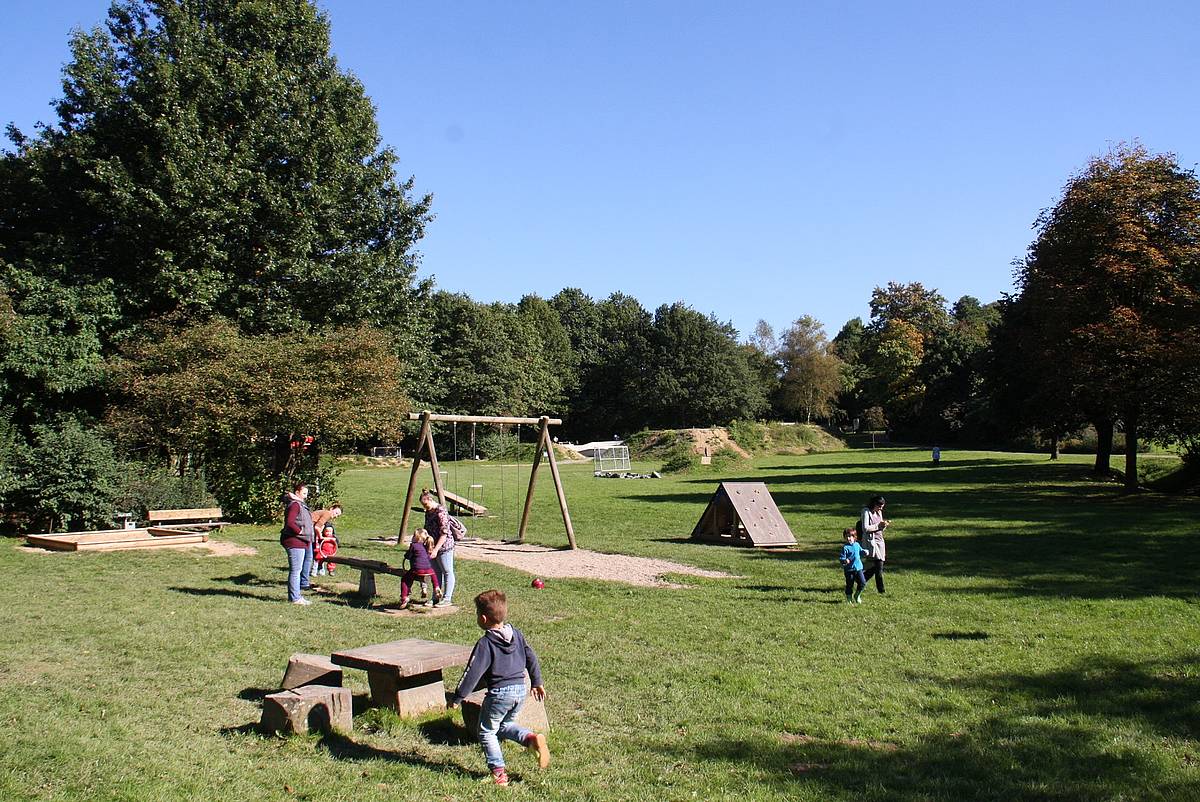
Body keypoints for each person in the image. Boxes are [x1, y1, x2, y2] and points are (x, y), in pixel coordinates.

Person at [448, 589, 550, 786]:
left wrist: (458, 697)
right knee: (505, 726)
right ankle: (531, 739)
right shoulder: (517, 635)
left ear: (484, 618)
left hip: (499, 693)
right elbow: (531, 657)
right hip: (520, 690)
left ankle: (499, 773)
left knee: (486, 732)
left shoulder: (486, 643)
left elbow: (473, 672)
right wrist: (537, 681)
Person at [280, 481, 315, 605]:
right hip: (295, 541)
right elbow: (290, 522)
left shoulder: (300, 504)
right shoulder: (295, 505)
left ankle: (296, 596)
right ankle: (295, 598)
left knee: (298, 570)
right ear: (297, 493)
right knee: (296, 570)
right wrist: (299, 531)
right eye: (304, 493)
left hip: (301, 541)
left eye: (307, 493)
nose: (306, 496)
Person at [422, 490, 457, 607]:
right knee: (436, 573)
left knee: (447, 571)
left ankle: (447, 598)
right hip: (432, 547)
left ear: (431, 500)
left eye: (426, 504)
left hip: (444, 547)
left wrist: (436, 550)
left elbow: (444, 534)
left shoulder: (441, 512)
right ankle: (436, 597)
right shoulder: (428, 512)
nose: (424, 507)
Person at [400, 529, 441, 609]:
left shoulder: (413, 545)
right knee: (433, 575)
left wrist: (407, 556)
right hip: (428, 569)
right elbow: (428, 557)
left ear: (416, 538)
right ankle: (436, 587)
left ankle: (404, 597)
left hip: (417, 569)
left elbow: (408, 556)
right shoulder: (427, 546)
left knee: (405, 579)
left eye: (413, 536)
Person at [860, 495, 890, 594]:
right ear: (874, 504)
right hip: (871, 541)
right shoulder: (866, 511)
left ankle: (861, 579)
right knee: (879, 565)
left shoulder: (879, 512)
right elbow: (865, 528)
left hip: (880, 541)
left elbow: (880, 528)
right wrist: (878, 525)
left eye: (882, 506)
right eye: (879, 506)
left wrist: (884, 525)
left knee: (877, 565)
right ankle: (881, 590)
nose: (881, 508)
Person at [839, 527, 868, 604]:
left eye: (851, 536)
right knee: (850, 584)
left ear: (855, 537)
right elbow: (841, 558)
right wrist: (845, 560)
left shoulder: (857, 545)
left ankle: (857, 595)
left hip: (858, 568)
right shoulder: (845, 548)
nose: (849, 538)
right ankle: (849, 599)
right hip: (849, 570)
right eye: (847, 536)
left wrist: (864, 552)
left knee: (863, 582)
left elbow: (860, 551)